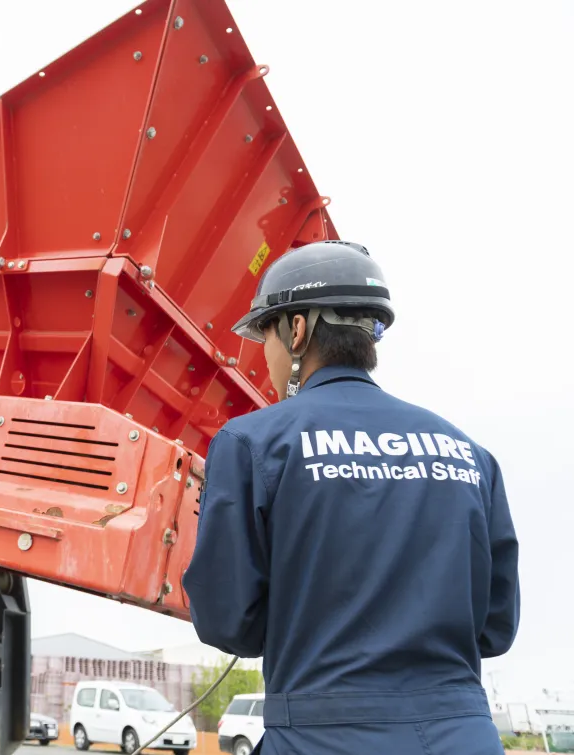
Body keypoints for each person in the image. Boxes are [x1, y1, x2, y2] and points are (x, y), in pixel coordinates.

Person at [181, 240, 519, 754]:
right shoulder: (470, 455)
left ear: (296, 330)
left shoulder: (252, 443)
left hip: (322, 738)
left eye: (264, 336)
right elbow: (496, 628)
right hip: (464, 738)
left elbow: (229, 623)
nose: (265, 356)